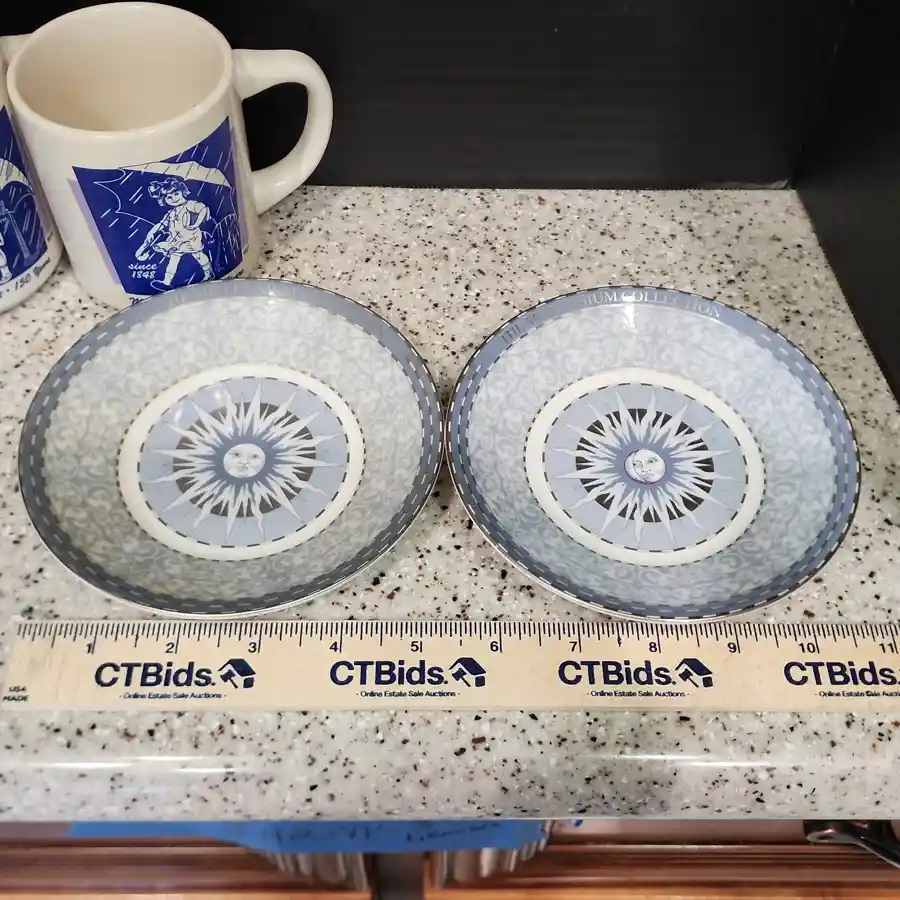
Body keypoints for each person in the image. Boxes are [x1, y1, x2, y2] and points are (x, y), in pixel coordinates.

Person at [136, 175, 214, 290]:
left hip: (191, 237)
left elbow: (203, 208)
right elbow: (162, 224)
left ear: (182, 192)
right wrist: (151, 232)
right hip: (176, 240)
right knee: (174, 258)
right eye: (169, 197)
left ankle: (209, 273)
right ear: (164, 199)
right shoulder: (171, 213)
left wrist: (197, 223)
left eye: (176, 193)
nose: (174, 198)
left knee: (198, 255)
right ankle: (167, 282)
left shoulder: (189, 205)